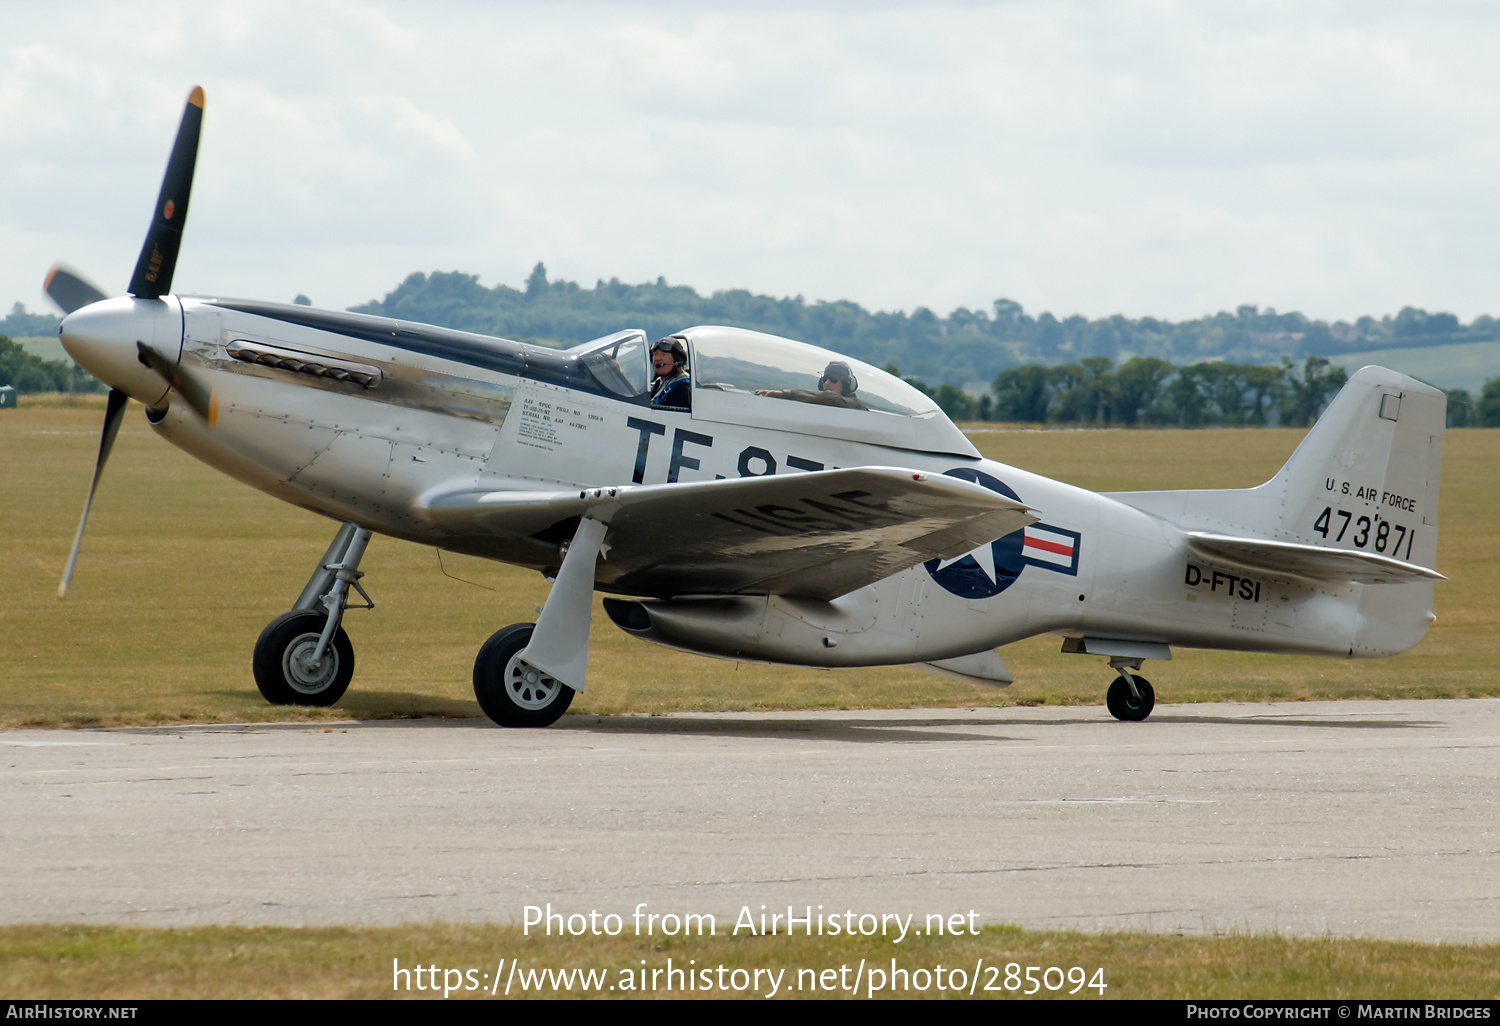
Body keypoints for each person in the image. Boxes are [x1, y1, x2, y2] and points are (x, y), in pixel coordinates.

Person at [755, 360, 868, 411]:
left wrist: (783, 394)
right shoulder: (826, 407)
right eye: (824, 379)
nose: (827, 383)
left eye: (833, 380)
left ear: (846, 385)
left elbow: (832, 398)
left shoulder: (856, 405)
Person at [649, 337, 691, 410]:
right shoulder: (658, 384)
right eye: (655, 354)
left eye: (663, 354)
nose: (657, 358)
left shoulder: (684, 388)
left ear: (677, 359)